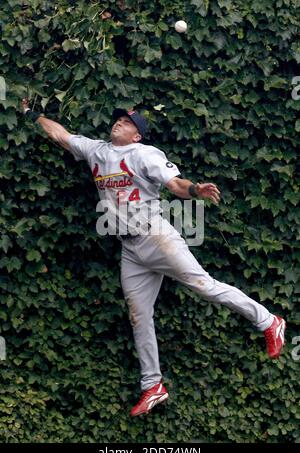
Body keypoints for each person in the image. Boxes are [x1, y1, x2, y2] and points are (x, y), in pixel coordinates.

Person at [21, 98, 286, 417]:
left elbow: (174, 183)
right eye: (118, 119)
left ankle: (269, 321)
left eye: (128, 122)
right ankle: (153, 386)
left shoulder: (144, 154)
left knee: (205, 286)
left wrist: (194, 190)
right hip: (130, 249)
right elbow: (60, 135)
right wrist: (32, 115)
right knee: (139, 315)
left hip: (156, 237)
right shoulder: (97, 150)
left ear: (137, 136)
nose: (119, 122)